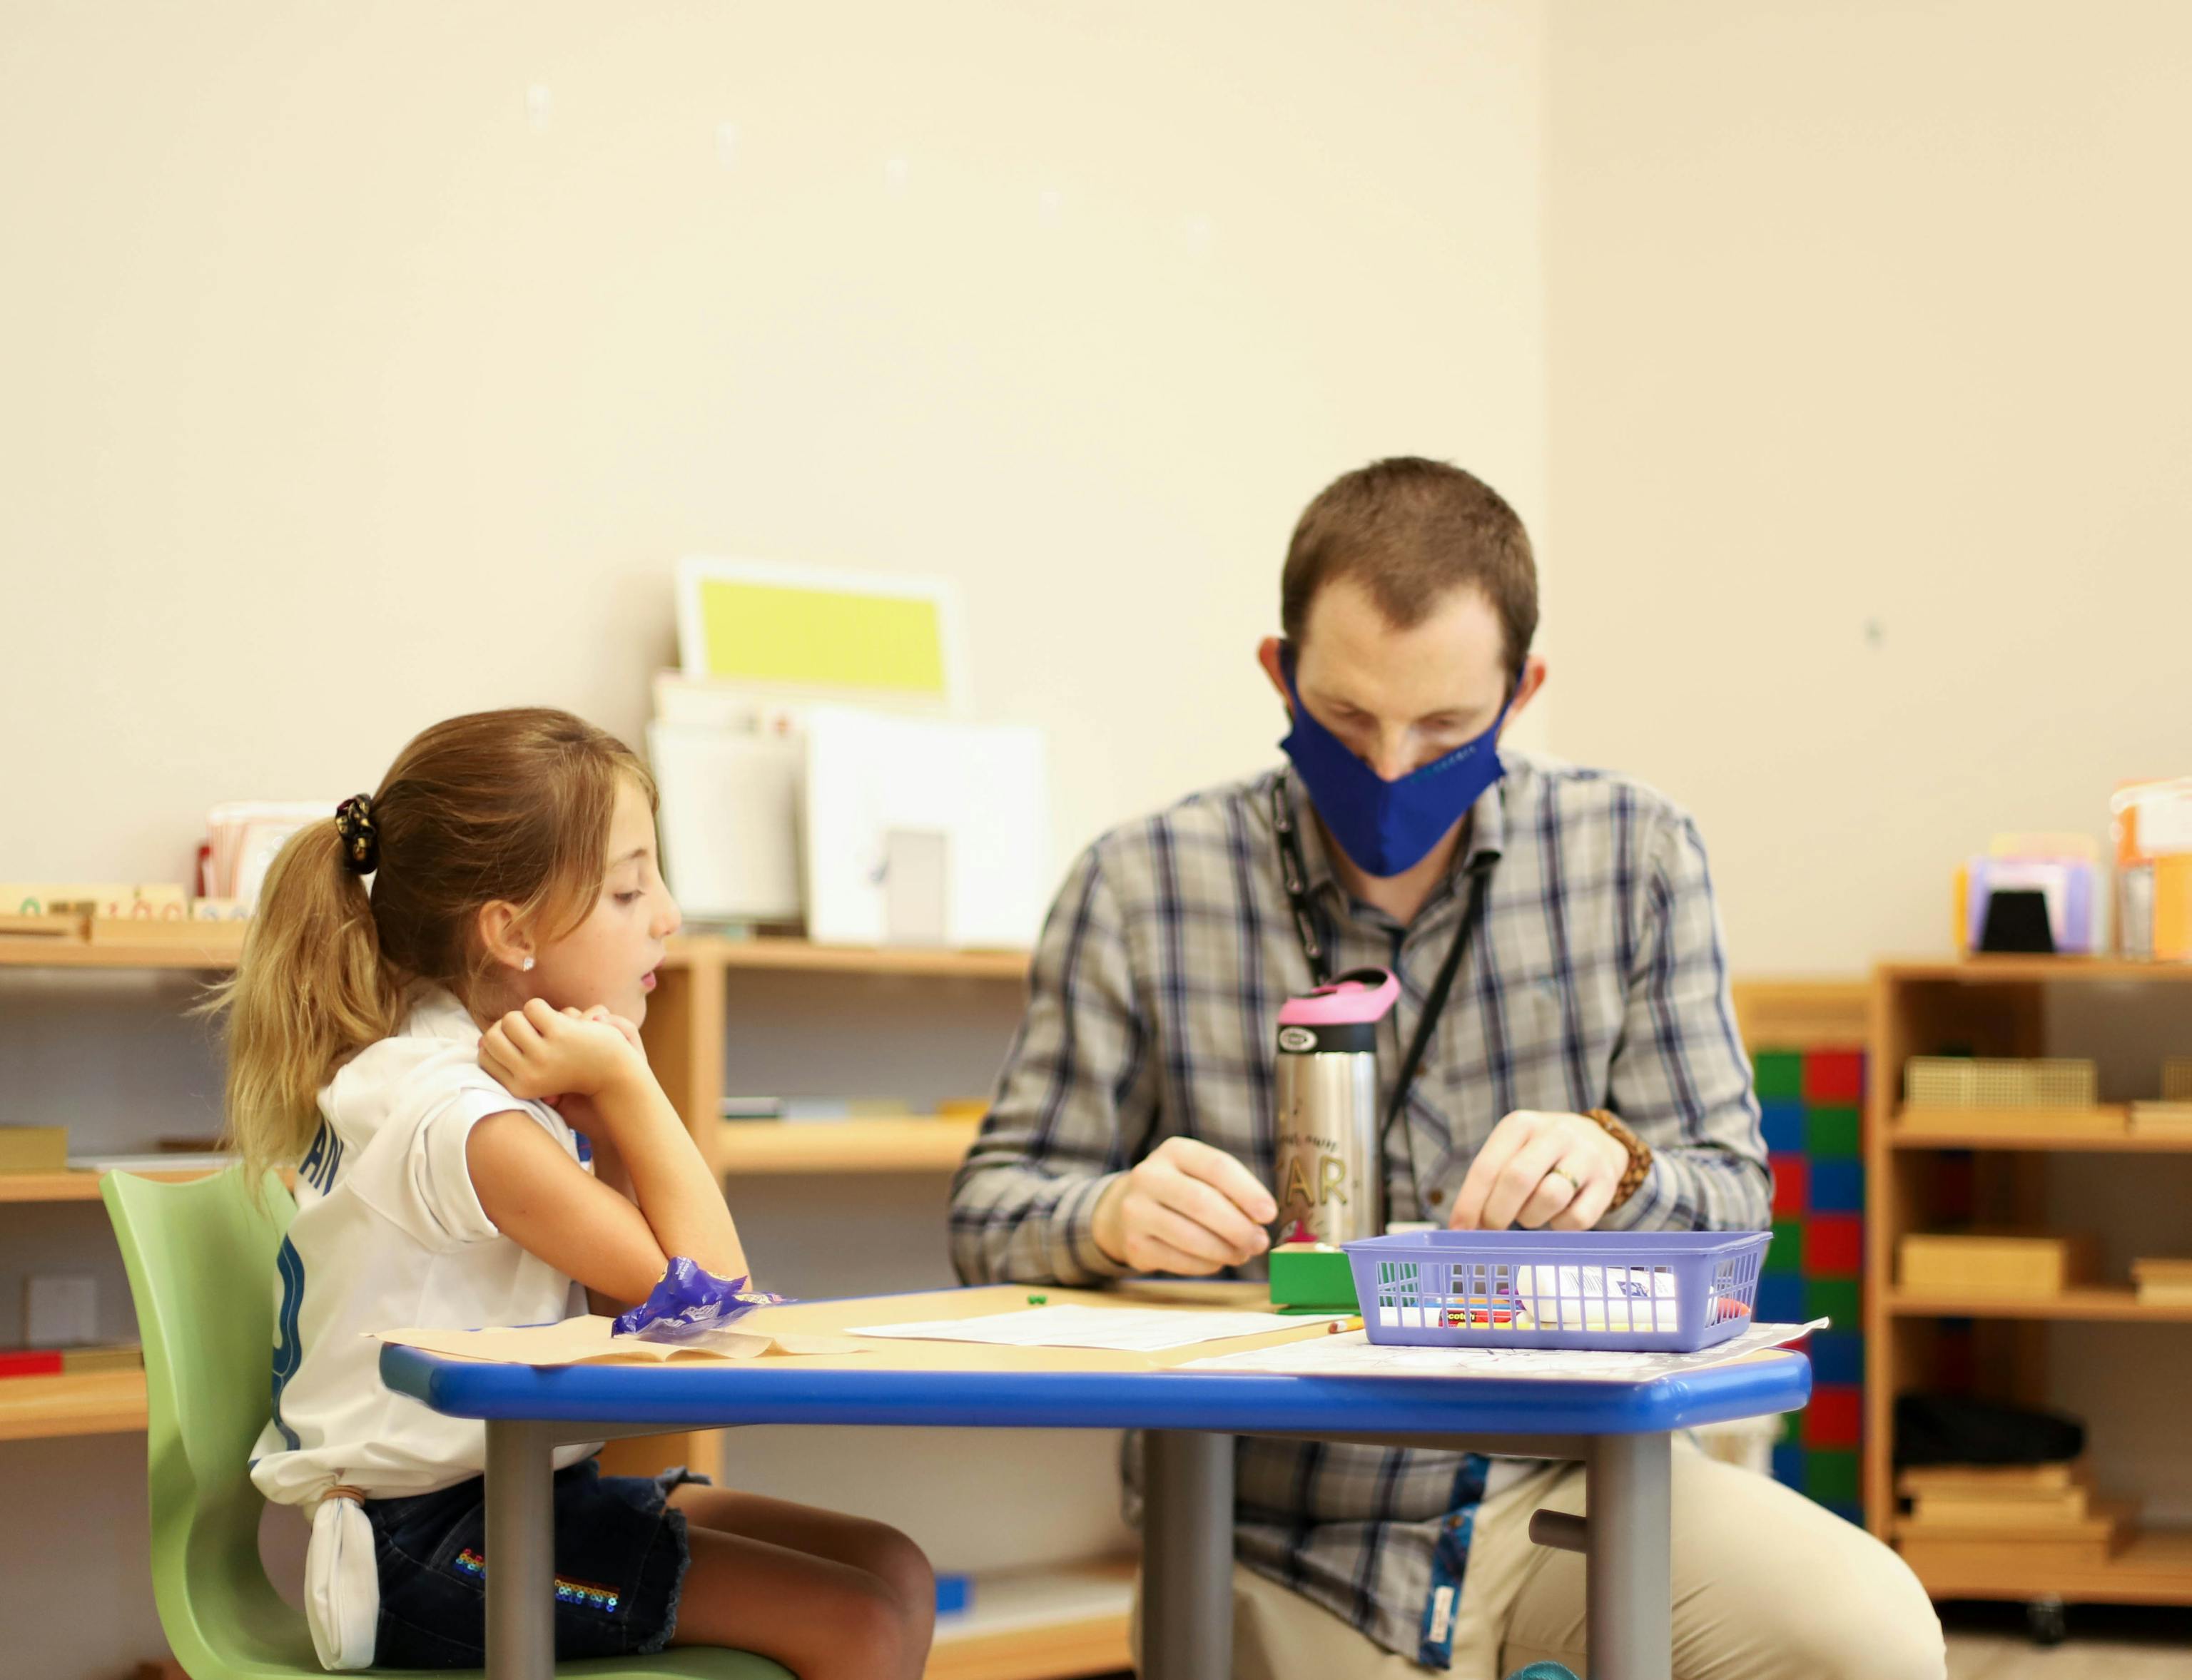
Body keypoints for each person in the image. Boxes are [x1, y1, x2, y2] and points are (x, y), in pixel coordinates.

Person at [950, 460, 1944, 1678]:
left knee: (1866, 1639)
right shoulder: (1140, 883)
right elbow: (990, 1211)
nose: (1387, 771)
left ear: (1522, 693)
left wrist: (1618, 1164)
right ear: (1278, 672)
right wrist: (1107, 1215)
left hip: (1572, 1479)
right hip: (1274, 1519)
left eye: (1443, 733)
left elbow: (1739, 1198)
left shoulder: (1632, 853)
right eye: (1345, 721)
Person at [221, 707, 933, 1678]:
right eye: (629, 890)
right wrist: (634, 1091)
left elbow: (641, 1316)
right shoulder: (465, 1120)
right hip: (423, 1548)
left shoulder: (462, 1074)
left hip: (523, 1494)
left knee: (894, 1567)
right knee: (860, 1623)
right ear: (510, 932)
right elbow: (716, 1311)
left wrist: (610, 1128)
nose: (668, 915)